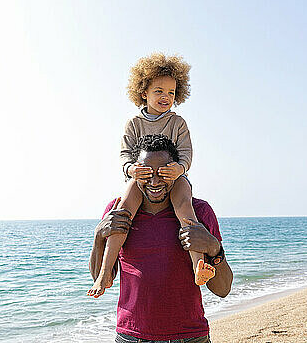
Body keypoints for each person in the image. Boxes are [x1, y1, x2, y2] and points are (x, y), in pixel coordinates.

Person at [88, 53, 215, 298]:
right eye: (159, 91)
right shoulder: (133, 123)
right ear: (143, 91)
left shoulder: (177, 123)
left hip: (174, 178)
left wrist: (179, 169)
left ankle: (197, 266)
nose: (165, 97)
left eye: (171, 92)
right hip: (141, 178)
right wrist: (131, 170)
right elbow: (125, 154)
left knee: (185, 208)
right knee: (123, 210)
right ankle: (105, 272)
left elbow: (186, 154)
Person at [89, 134, 233, 342]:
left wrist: (213, 247)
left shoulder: (199, 211)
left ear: (175, 171)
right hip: (131, 337)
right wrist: (98, 237)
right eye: (147, 173)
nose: (154, 182)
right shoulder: (118, 212)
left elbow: (222, 290)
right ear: (135, 172)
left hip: (190, 337)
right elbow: (101, 279)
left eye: (163, 173)